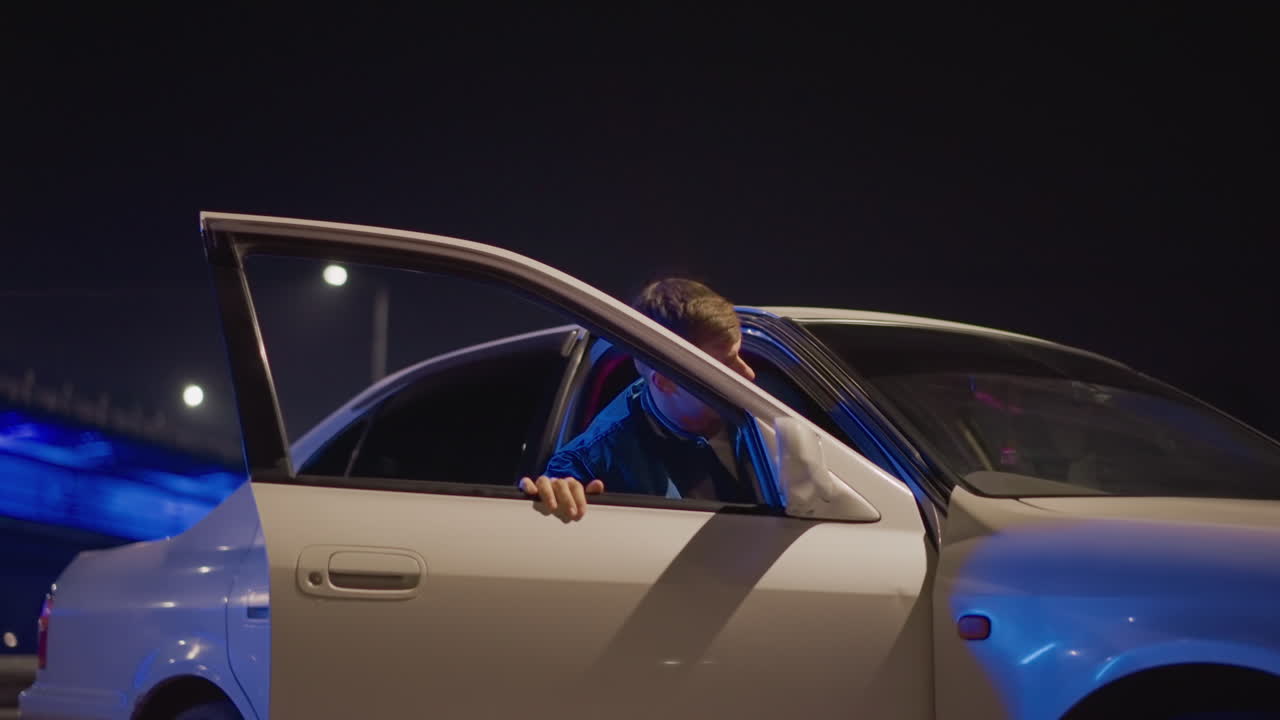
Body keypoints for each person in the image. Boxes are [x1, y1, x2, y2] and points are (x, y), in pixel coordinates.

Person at [519, 278, 757, 521]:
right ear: (665, 381)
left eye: (739, 353)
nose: (749, 374)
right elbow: (549, 516)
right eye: (726, 364)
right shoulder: (592, 462)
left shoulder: (768, 409)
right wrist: (556, 497)